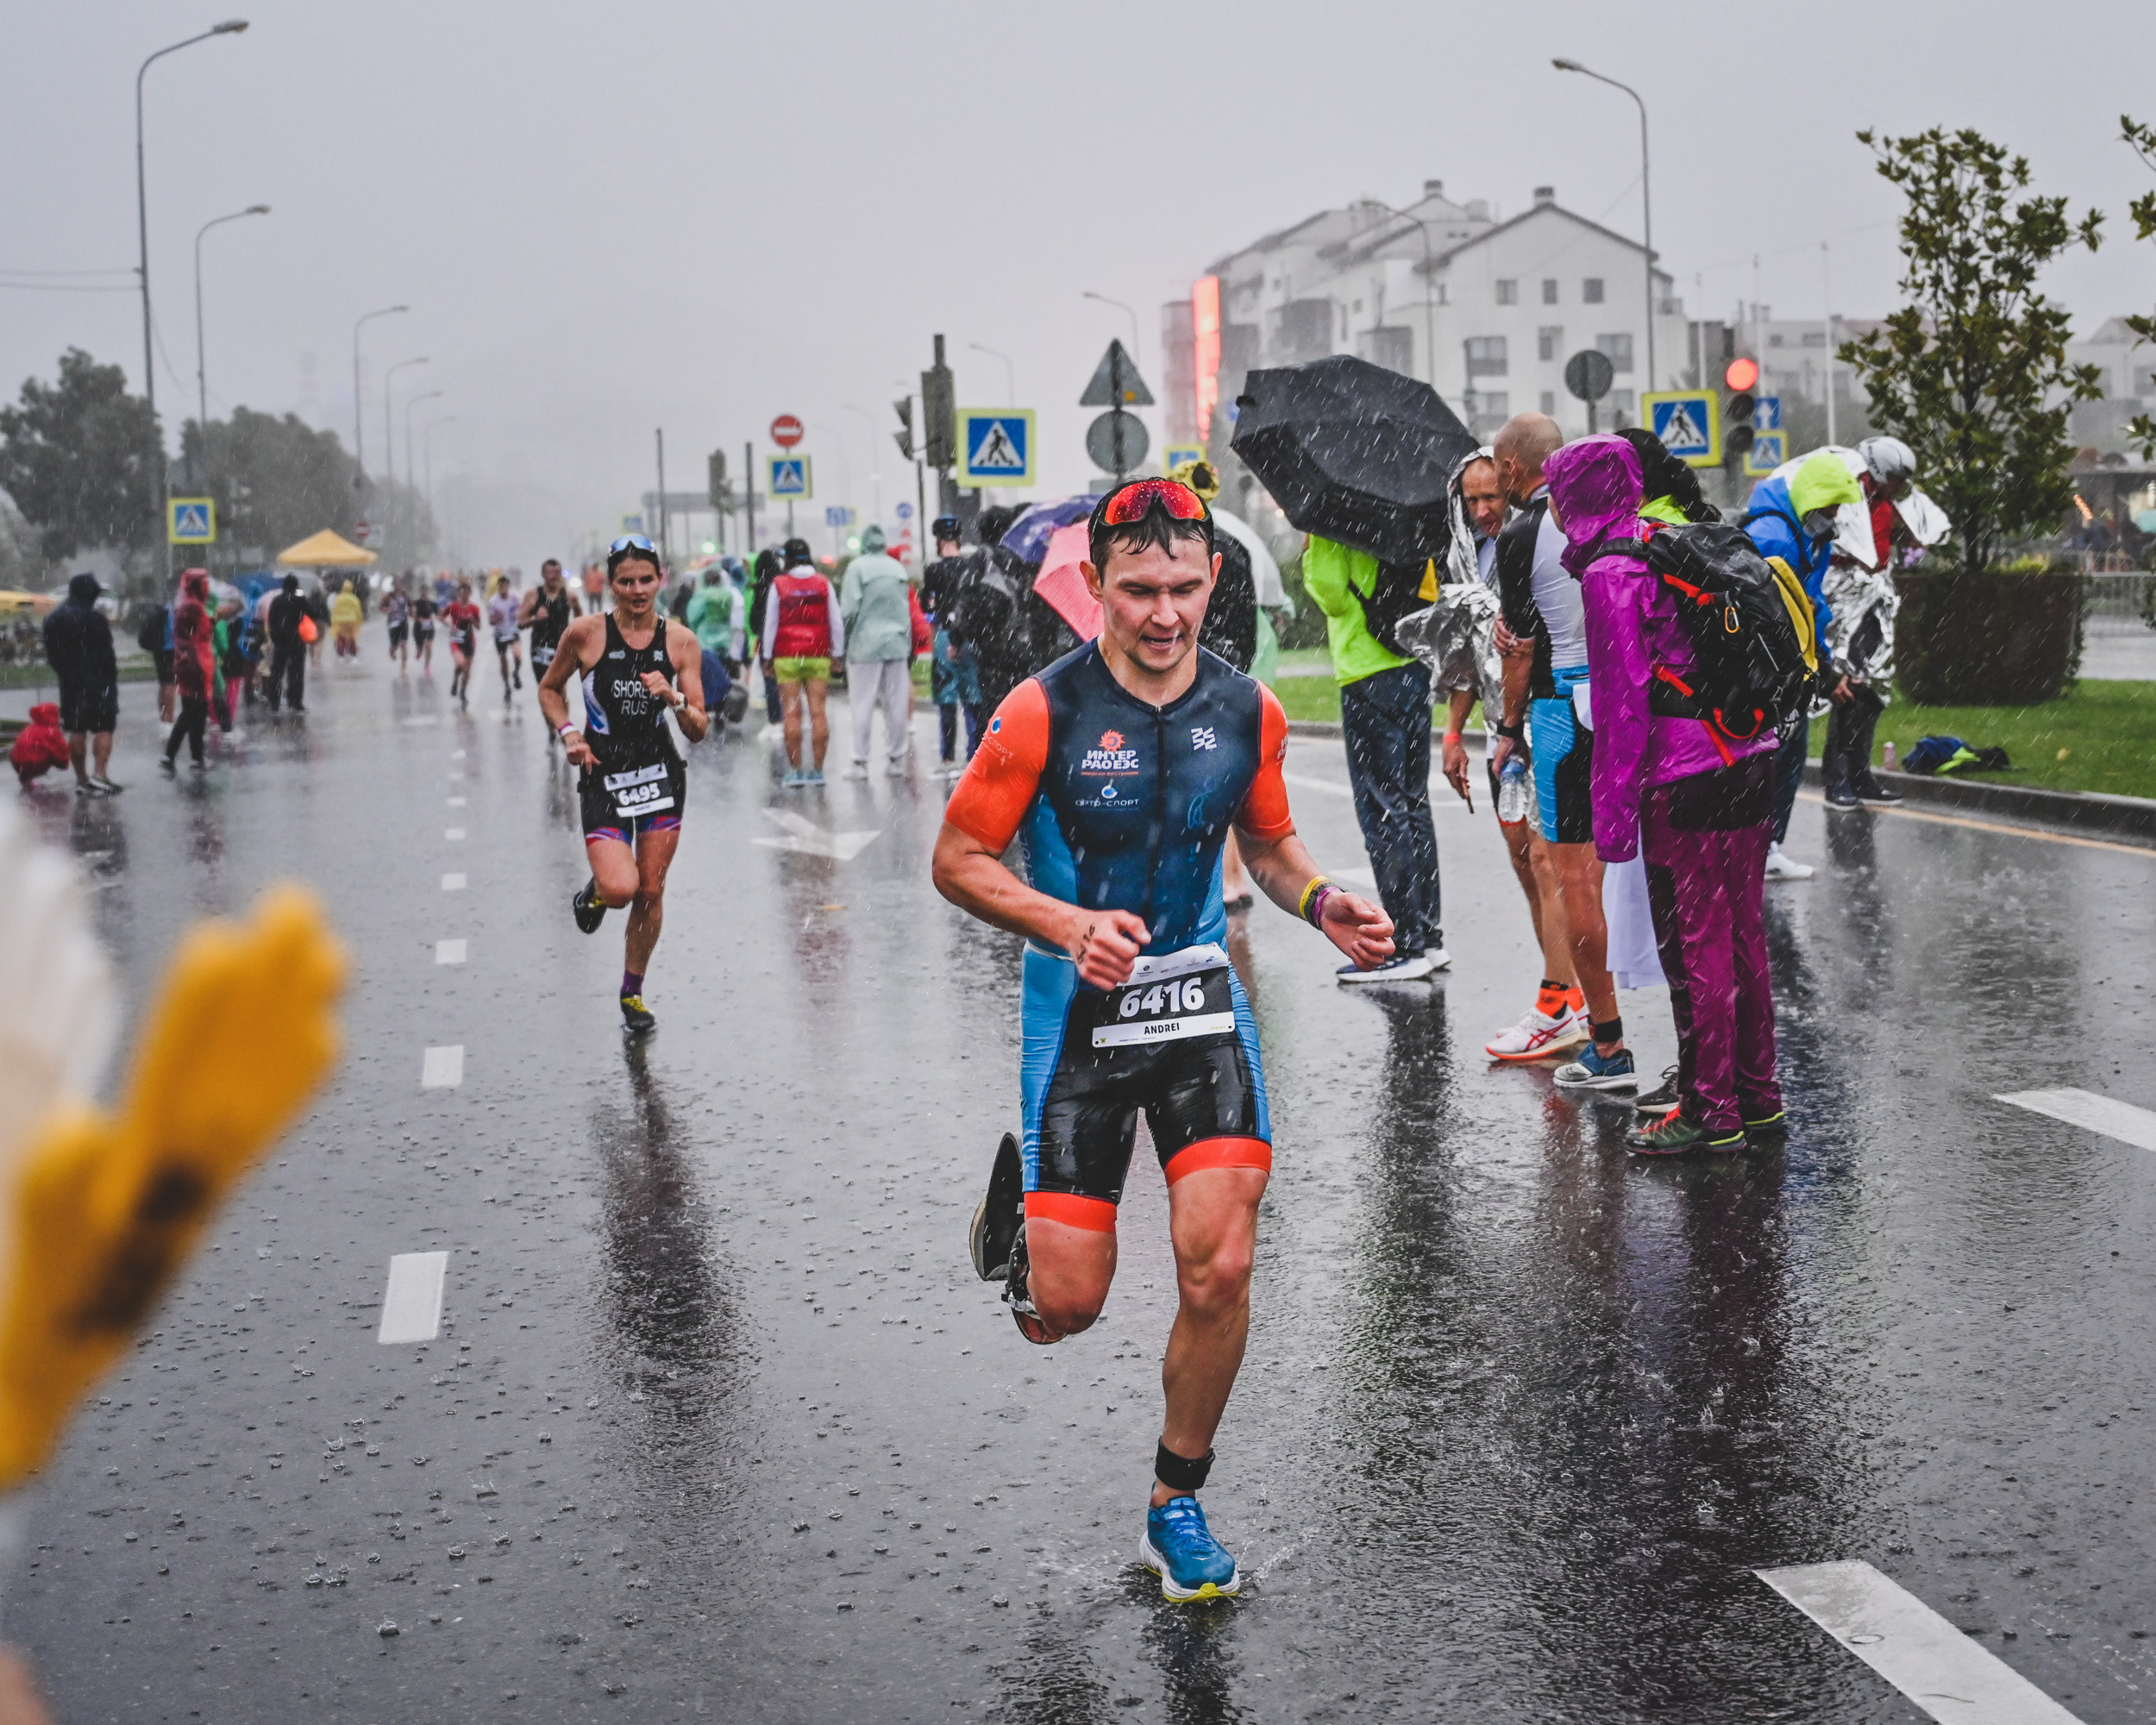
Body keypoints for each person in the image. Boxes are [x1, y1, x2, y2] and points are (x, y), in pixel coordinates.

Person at [931, 477, 1395, 1602]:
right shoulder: (1038, 713)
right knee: (1071, 1308)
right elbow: (958, 861)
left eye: (1184, 586)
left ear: (1213, 580)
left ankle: (1176, 1500)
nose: (1163, 613)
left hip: (1196, 1008)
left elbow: (1274, 848)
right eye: (1137, 589)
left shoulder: (1248, 711)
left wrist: (1326, 901)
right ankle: (1020, 1250)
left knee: (1221, 1261)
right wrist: (1067, 921)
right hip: (1078, 1019)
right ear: (1095, 586)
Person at [1552, 434, 1783, 1154]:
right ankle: (1758, 1095)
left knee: (1696, 947)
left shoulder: (1611, 574)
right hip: (1750, 752)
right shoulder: (1667, 540)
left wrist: (1613, 823)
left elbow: (1624, 710)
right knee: (1744, 935)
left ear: (1575, 498)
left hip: (1686, 775)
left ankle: (1709, 1111)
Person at [1485, 413, 1634, 1091]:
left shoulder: (1524, 535)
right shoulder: (1631, 522)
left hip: (1560, 714)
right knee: (1661, 882)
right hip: (1634, 709)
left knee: (1576, 882)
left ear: (1514, 470)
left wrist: (1509, 729)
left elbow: (1520, 653)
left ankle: (1604, 1042)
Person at [538, 534, 708, 1033]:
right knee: (621, 886)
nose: (637, 590)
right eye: (626, 581)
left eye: (646, 580)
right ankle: (594, 895)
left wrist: (674, 699)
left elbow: (699, 727)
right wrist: (569, 732)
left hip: (660, 772)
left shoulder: (680, 641)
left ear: (662, 580)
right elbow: (550, 689)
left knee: (651, 889)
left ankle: (632, 992)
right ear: (609, 584)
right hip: (604, 772)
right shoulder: (586, 634)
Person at [1300, 531, 1445, 982]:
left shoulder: (1334, 521)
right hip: (1412, 664)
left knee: (1382, 811)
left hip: (1367, 670)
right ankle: (1429, 936)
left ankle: (1403, 944)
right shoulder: (1402, 511)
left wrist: (1312, 551)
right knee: (1413, 804)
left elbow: (1333, 597)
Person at [1742, 449, 1863, 879]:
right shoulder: (1775, 537)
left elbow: (1810, 609)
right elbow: (1777, 616)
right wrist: (1817, 672)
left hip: (1788, 666)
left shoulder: (1808, 535)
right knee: (1774, 757)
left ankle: (1767, 844)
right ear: (1814, 498)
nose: (1836, 514)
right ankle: (1760, 845)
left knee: (1788, 754)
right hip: (1771, 669)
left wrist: (1823, 670)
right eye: (1832, 505)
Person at [1819, 438, 1917, 810]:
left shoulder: (1883, 504)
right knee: (1849, 687)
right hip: (1845, 598)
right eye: (1894, 478)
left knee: (1873, 689)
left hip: (1874, 595)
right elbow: (1834, 546)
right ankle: (1837, 777)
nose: (1896, 487)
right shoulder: (1846, 497)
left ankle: (1861, 775)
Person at [761, 538, 843, 787]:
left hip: (787, 656)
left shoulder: (779, 584)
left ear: (787, 558)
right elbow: (836, 622)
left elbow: (771, 623)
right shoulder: (823, 583)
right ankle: (817, 772)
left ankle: (796, 772)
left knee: (791, 713)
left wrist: (767, 655)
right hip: (818, 654)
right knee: (818, 712)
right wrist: (837, 654)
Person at [838, 524, 915, 778]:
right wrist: (908, 642)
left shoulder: (857, 568)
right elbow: (906, 611)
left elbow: (849, 612)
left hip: (865, 645)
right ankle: (896, 760)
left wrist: (843, 643)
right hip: (896, 644)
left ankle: (860, 762)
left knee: (862, 704)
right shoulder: (897, 569)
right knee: (896, 704)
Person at [41, 573, 122, 795]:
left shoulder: (54, 618)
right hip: (98, 680)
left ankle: (82, 779)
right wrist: (108, 675)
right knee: (104, 727)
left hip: (70, 682)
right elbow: (107, 652)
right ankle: (100, 775)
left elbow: (52, 653)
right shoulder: (94, 618)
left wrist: (66, 672)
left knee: (77, 728)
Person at [160, 568, 216, 772]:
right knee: (195, 713)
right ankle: (185, 756)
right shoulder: (193, 606)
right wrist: (212, 621)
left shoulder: (187, 604)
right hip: (196, 665)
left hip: (189, 663)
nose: (207, 587)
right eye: (204, 583)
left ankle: (187, 756)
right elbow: (198, 634)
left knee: (192, 712)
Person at [520, 559, 581, 734]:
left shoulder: (569, 596)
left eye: (557, 573)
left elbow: (580, 617)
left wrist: (576, 620)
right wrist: (534, 619)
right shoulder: (533, 596)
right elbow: (520, 622)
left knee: (561, 689)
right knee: (546, 691)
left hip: (561, 648)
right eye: (550, 573)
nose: (554, 576)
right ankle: (551, 727)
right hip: (539, 649)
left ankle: (565, 729)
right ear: (543, 575)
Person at [686, 561, 744, 731]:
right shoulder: (727, 595)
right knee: (722, 673)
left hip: (705, 640)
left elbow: (693, 617)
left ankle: (708, 707)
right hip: (724, 640)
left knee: (706, 677)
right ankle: (720, 707)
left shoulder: (702, 596)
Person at [930, 618, 982, 775]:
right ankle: (975, 754)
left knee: (947, 700)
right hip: (971, 636)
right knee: (973, 700)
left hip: (945, 637)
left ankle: (948, 757)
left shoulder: (943, 595)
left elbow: (931, 612)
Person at [265, 574, 310, 713]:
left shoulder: (277, 600)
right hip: (297, 640)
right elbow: (312, 614)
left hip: (280, 641)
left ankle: (274, 702)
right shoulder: (300, 601)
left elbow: (271, 618)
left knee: (277, 671)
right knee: (296, 672)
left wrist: (274, 634)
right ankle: (295, 701)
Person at [10, 702, 71, 790]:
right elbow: (60, 752)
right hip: (34, 762)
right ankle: (37, 775)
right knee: (46, 754)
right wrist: (64, 763)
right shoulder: (52, 731)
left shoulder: (29, 728)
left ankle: (25, 778)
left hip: (16, 761)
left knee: (32, 754)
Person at [135, 594, 175, 724]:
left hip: (160, 649)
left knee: (164, 683)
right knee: (170, 684)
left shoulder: (166, 606)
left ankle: (164, 716)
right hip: (171, 648)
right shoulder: (176, 609)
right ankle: (169, 718)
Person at [443, 580, 482, 708]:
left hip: (469, 640)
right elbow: (441, 616)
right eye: (462, 592)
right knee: (460, 664)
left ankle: (463, 692)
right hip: (456, 640)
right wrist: (449, 625)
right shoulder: (454, 606)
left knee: (467, 670)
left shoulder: (474, 608)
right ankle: (455, 680)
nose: (464, 594)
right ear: (459, 593)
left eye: (467, 592)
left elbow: (479, 626)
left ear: (470, 594)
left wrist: (472, 620)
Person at [486, 574, 523, 699]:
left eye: (505, 586)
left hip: (513, 631)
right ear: (498, 587)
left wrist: (520, 615)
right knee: (503, 661)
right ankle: (507, 685)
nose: (503, 589)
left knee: (518, 656)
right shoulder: (494, 601)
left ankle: (516, 673)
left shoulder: (515, 598)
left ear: (508, 586)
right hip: (500, 633)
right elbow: (490, 621)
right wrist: (497, 618)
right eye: (501, 586)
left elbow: (522, 611)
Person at [329, 579, 364, 659]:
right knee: (352, 638)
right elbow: (358, 611)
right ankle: (353, 654)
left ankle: (341, 654)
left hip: (340, 622)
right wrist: (360, 620)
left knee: (341, 638)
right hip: (352, 621)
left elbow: (335, 610)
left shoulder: (339, 599)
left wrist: (333, 621)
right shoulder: (354, 599)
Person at [384, 582, 411, 674]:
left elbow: (412, 605)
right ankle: (393, 650)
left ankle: (404, 666)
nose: (397, 587)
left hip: (403, 622)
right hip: (392, 623)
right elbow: (381, 606)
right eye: (396, 585)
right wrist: (387, 611)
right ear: (393, 586)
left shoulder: (405, 595)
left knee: (403, 644)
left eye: (399, 585)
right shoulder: (388, 596)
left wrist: (412, 612)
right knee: (394, 645)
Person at [411, 586, 438, 675]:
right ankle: (419, 650)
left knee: (429, 646)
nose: (424, 592)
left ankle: (427, 666)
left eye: (426, 591)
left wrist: (449, 622)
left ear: (428, 591)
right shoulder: (416, 603)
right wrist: (418, 618)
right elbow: (413, 613)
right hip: (418, 627)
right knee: (421, 647)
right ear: (420, 592)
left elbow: (439, 614)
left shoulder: (432, 603)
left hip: (429, 627)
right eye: (423, 591)